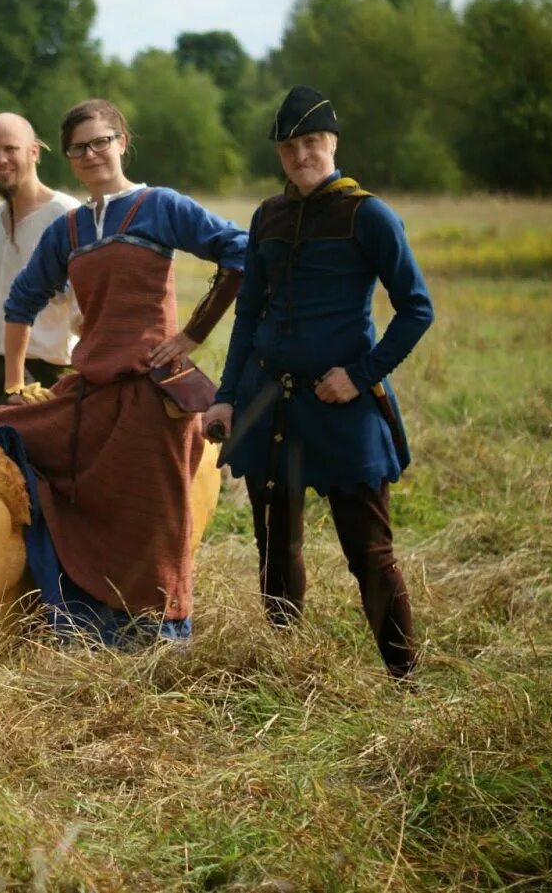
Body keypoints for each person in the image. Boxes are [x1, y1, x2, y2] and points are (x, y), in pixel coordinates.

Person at [0, 99, 247, 643]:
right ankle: (81, 619)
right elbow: (21, 301)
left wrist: (192, 334)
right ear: (69, 158)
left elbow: (240, 251)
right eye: (79, 147)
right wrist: (13, 385)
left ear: (122, 141)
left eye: (101, 141)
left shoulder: (159, 206)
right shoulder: (70, 229)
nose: (91, 154)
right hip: (90, 390)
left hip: (152, 393)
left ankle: (163, 635)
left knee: (153, 521)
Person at [203, 85, 434, 679]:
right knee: (277, 546)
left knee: (370, 554)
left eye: (310, 142)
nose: (300, 154)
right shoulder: (268, 216)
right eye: (288, 146)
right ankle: (287, 670)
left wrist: (360, 376)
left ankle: (405, 680)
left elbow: (416, 308)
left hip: (341, 407)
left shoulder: (369, 215)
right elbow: (248, 312)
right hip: (269, 403)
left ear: (332, 143)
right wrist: (228, 396)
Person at [0, 113, 80, 428]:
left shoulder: (68, 217)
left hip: (42, 379)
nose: (1, 159)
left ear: (34, 152)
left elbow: (85, 314)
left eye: (11, 149)